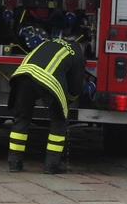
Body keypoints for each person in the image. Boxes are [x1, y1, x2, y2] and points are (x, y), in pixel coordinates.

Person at [7, 32, 88, 174]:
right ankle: (52, 164)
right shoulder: (77, 53)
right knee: (59, 121)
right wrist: (69, 101)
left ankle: (14, 162)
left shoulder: (49, 42)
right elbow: (76, 87)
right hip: (49, 81)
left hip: (23, 76)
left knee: (21, 118)